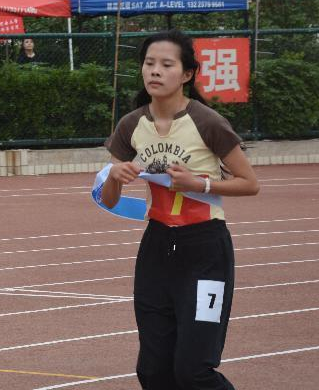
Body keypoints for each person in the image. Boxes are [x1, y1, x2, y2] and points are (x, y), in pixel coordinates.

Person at [101, 29, 259, 390]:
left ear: (187, 74)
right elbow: (109, 199)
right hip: (156, 250)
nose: (155, 71)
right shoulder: (131, 125)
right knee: (153, 371)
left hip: (205, 252)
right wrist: (114, 176)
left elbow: (250, 183)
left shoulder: (207, 122)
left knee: (193, 372)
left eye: (166, 64)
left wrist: (200, 184)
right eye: (149, 63)